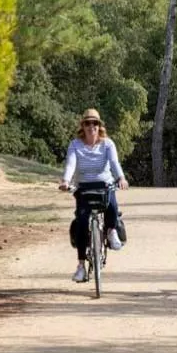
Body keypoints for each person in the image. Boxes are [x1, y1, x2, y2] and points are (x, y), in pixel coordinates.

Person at [58, 108, 129, 283]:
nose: (92, 127)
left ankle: (111, 231)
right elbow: (71, 164)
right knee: (82, 222)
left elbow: (114, 162)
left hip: (104, 185)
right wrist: (66, 181)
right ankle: (81, 266)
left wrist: (121, 178)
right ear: (83, 126)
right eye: (88, 123)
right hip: (83, 188)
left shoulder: (107, 144)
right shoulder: (75, 145)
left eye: (95, 123)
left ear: (100, 126)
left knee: (112, 204)